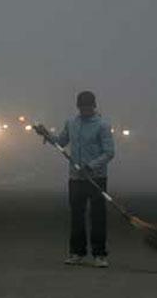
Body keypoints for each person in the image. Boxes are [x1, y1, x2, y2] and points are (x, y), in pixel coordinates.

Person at [34, 91, 115, 268]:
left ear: (94, 106)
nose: (85, 110)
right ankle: (77, 252)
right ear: (78, 107)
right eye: (82, 107)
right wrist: (45, 134)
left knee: (98, 217)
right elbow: (60, 142)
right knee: (77, 216)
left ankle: (99, 254)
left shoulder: (102, 125)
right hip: (75, 178)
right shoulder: (71, 123)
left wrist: (91, 166)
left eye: (88, 107)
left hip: (96, 178)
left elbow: (109, 152)